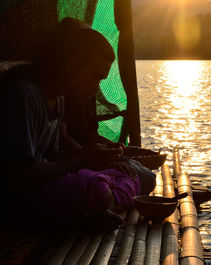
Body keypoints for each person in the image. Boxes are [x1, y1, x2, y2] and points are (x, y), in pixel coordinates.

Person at [0, 17, 155, 250]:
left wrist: (94, 157)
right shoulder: (23, 96)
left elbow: (52, 155)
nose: (96, 88)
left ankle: (100, 204)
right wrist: (81, 161)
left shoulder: (59, 99)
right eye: (95, 77)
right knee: (90, 187)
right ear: (72, 66)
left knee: (145, 176)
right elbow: (20, 175)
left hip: (50, 188)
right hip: (17, 200)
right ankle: (99, 204)